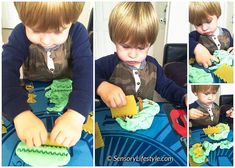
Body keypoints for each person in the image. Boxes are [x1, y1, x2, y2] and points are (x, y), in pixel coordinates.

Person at [2, 2, 92, 148]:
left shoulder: (78, 33)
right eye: (36, 30)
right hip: (34, 90)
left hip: (68, 93)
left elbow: (87, 72)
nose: (46, 41)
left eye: (57, 32)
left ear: (71, 22)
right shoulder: (19, 34)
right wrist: (20, 113)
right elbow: (4, 72)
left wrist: (76, 114)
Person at [95, 2, 186, 109]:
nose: (133, 55)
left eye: (141, 48)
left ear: (150, 44)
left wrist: (184, 96)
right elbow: (86, 74)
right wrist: (102, 87)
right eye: (126, 46)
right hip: (110, 119)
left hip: (143, 118)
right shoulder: (108, 64)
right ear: (114, 40)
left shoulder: (153, 66)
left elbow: (167, 86)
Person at [189, 2, 233, 68]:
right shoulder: (194, 35)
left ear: (217, 15)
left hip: (225, 69)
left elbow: (231, 47)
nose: (204, 28)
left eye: (208, 21)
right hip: (203, 71)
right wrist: (196, 48)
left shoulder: (226, 32)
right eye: (198, 24)